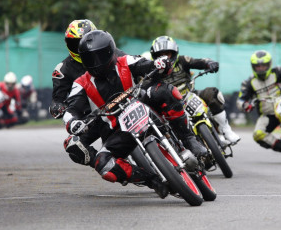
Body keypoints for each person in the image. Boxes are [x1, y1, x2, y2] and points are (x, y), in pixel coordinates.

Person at [63, 30, 207, 197]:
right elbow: (70, 109)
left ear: (110, 51)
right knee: (104, 166)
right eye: (90, 58)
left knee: (167, 91)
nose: (96, 63)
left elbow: (145, 64)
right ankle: (151, 180)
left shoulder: (125, 61)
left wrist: (159, 64)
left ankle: (189, 138)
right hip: (118, 130)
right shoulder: (80, 83)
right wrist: (73, 122)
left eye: (100, 56)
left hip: (143, 104)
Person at [49, 19, 126, 169]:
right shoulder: (62, 70)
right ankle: (110, 166)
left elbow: (132, 63)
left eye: (84, 42)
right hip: (94, 116)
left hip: (124, 99)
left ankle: (178, 137)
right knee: (73, 145)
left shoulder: (111, 51)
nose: (81, 47)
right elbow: (57, 98)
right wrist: (57, 106)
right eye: (75, 44)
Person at [149, 36, 240, 145]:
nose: (165, 58)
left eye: (167, 54)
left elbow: (200, 61)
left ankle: (226, 130)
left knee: (212, 93)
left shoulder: (182, 60)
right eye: (160, 55)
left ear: (173, 53)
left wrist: (209, 63)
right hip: (171, 105)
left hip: (190, 93)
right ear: (155, 57)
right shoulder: (152, 71)